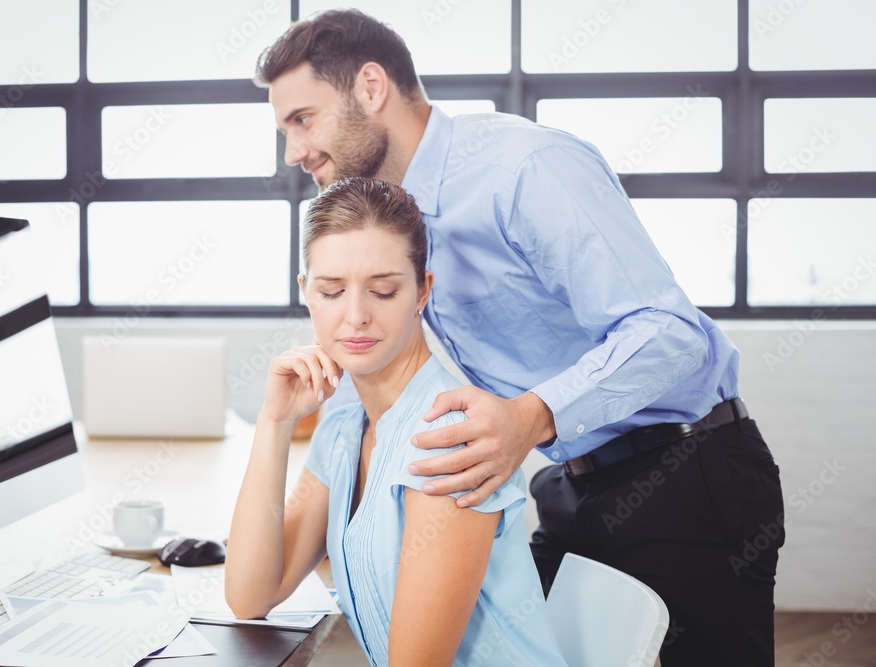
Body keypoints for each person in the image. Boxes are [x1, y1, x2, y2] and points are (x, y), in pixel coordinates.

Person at [253, 9, 784, 666]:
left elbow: (672, 335)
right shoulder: (398, 219)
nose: (292, 152)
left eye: (302, 119)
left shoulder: (523, 169)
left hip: (686, 476)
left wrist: (529, 417)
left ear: (370, 87)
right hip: (571, 483)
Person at [225, 177, 567, 667]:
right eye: (332, 290)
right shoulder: (343, 430)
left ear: (422, 291)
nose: (356, 316)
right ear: (306, 293)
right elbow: (250, 595)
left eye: (383, 291)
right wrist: (274, 421)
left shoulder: (451, 438)